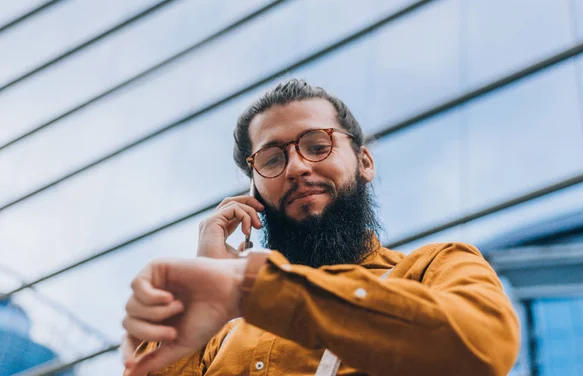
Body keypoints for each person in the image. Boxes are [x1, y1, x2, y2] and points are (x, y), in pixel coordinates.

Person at [120, 79, 520, 376]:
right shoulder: (222, 333)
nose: (296, 167)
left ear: (364, 162)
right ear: (254, 190)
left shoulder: (435, 267)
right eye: (272, 159)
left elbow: (482, 346)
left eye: (317, 146)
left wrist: (256, 287)